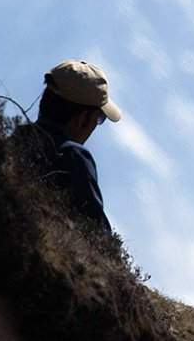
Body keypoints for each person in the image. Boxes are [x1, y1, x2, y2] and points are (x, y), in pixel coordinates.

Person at [13, 59, 121, 232]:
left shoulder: (17, 138)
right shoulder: (74, 156)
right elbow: (98, 236)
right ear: (83, 119)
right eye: (99, 119)